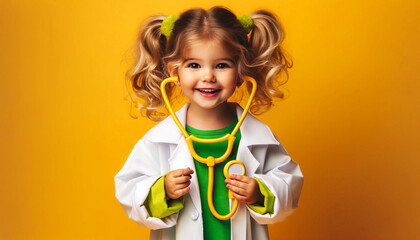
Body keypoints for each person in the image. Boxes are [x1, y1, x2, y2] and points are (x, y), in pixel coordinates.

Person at [115, 6, 303, 240]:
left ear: (241, 70)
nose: (208, 76)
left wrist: (260, 192)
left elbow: (289, 182)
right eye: (194, 65)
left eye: (222, 65)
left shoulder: (258, 137)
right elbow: (128, 191)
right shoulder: (159, 140)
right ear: (175, 71)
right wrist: (161, 190)